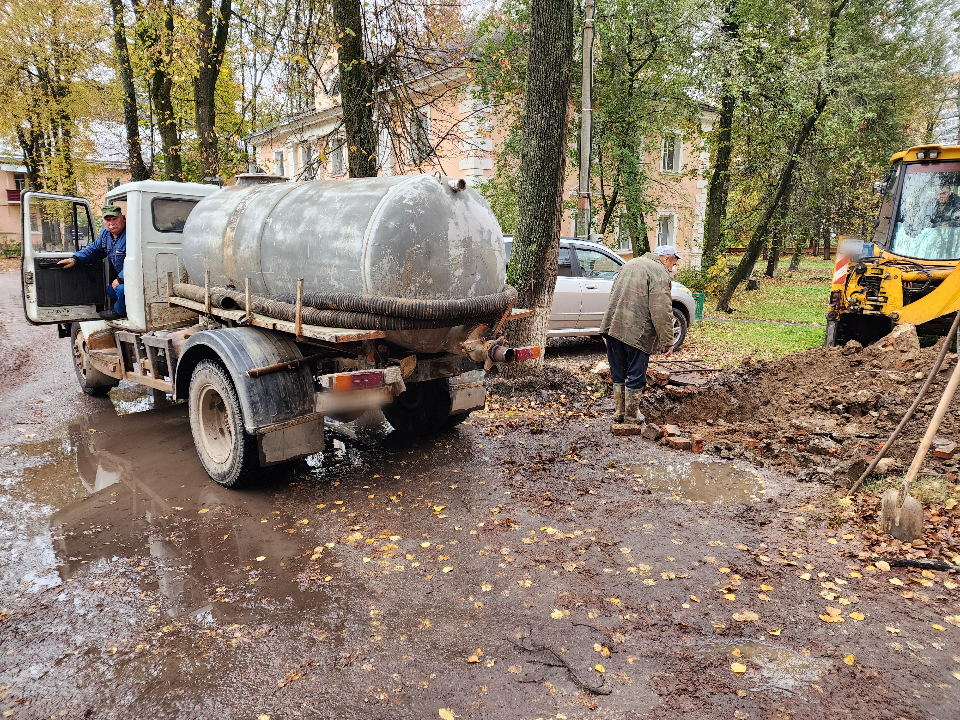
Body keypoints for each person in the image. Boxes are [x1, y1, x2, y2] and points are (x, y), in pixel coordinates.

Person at [599, 244, 678, 427]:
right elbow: (661, 309)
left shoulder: (630, 264)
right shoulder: (658, 271)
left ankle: (619, 413)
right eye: (673, 262)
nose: (673, 267)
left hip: (613, 326)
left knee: (618, 370)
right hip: (636, 331)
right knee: (636, 372)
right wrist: (668, 340)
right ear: (666, 258)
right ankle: (632, 416)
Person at [57, 205, 127, 320]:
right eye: (108, 220)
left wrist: (121, 279)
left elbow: (139, 261)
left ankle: (119, 312)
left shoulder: (132, 235)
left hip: (137, 277)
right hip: (125, 277)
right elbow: (94, 250)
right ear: (103, 221)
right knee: (111, 291)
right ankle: (124, 307)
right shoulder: (106, 235)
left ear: (123, 218)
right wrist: (75, 259)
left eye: (115, 219)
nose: (111, 223)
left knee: (121, 289)